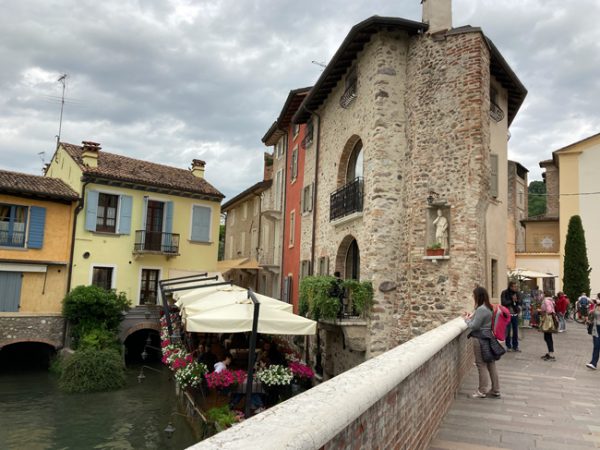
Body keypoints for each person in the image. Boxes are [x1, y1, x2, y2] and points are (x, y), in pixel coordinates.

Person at [464, 286, 502, 399]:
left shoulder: (481, 309)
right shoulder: (489, 308)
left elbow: (474, 326)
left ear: (478, 296)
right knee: (491, 364)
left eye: (473, 295)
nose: (473, 297)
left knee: (481, 364)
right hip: (488, 336)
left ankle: (482, 390)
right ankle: (496, 389)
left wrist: (466, 320)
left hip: (480, 338)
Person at [501, 281, 521, 352]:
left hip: (515, 314)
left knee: (515, 331)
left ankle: (515, 346)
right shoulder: (504, 293)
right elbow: (503, 303)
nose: (516, 288)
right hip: (507, 314)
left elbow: (519, 302)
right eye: (514, 287)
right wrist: (512, 300)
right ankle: (508, 346)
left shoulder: (517, 293)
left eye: (516, 287)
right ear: (510, 287)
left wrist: (517, 301)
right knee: (508, 331)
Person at [540, 292, 557, 361]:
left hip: (548, 319)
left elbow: (549, 310)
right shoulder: (551, 300)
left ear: (545, 294)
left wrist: (543, 312)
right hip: (550, 319)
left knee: (547, 337)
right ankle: (550, 352)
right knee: (548, 336)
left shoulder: (546, 300)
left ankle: (551, 354)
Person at [586, 295, 600, 370]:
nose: (596, 299)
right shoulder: (596, 306)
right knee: (596, 346)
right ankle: (593, 363)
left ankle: (593, 362)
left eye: (598, 298)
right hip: (596, 328)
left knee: (597, 345)